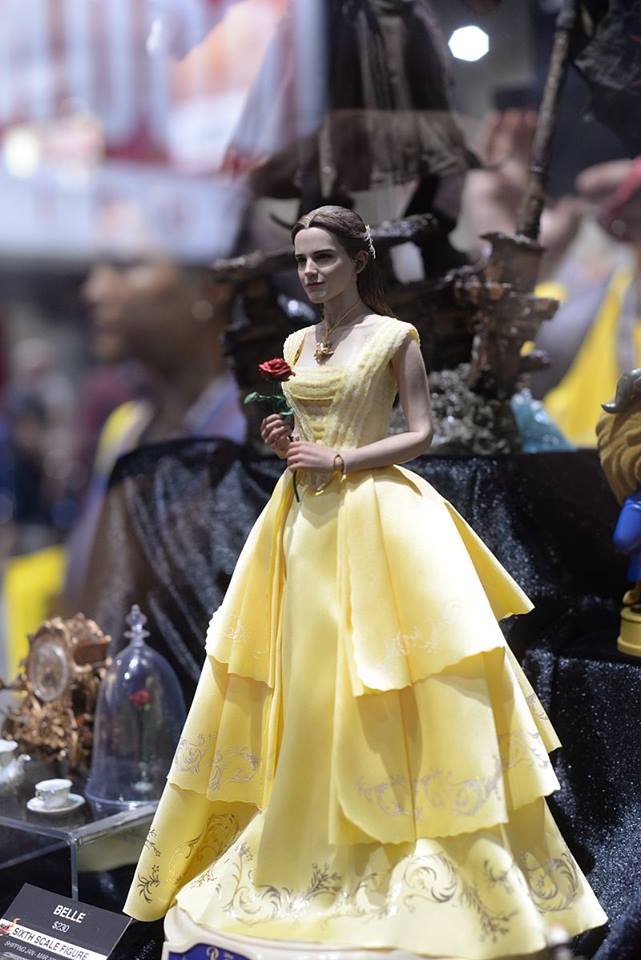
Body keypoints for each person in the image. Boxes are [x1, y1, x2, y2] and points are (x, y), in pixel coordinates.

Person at [124, 207, 605, 957]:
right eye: (301, 260)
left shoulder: (393, 337)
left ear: (357, 260)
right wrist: (284, 439)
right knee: (305, 675)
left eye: (323, 257)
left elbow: (420, 432)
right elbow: (299, 430)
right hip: (302, 521)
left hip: (376, 514)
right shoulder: (295, 344)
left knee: (389, 673)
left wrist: (342, 459)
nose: (310, 272)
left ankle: (403, 841)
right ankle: (304, 827)